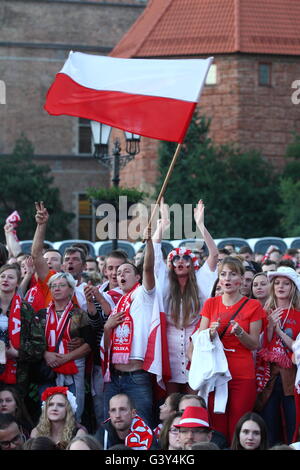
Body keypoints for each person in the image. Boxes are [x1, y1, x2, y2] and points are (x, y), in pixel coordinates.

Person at [190, 256, 264, 443]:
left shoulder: (253, 305)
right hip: (215, 372)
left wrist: (240, 333)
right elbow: (200, 339)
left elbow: (254, 344)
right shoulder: (211, 303)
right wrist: (210, 334)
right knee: (217, 425)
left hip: (242, 374)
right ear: (219, 279)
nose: (228, 279)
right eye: (223, 274)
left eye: (233, 274)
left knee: (239, 426)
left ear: (241, 279)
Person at [153, 199, 218, 394]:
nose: (180, 261)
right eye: (175, 258)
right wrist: (162, 225)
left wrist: (200, 226)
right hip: (169, 344)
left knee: (193, 397)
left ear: (193, 264)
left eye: (186, 258)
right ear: (170, 264)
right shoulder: (164, 281)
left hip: (195, 344)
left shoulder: (200, 281)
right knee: (172, 400)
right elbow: (155, 253)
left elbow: (214, 255)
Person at [102, 229, 158, 428]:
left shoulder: (144, 295)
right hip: (114, 377)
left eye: (126, 271)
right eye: (118, 273)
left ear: (137, 277)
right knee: (110, 427)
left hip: (137, 376)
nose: (120, 275)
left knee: (143, 427)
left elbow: (149, 268)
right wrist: (107, 328)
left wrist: (149, 243)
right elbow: (106, 346)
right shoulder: (118, 304)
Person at [38, 272, 94, 423]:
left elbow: (90, 345)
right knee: (47, 413)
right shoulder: (42, 314)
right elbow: (32, 342)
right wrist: (45, 354)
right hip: (48, 370)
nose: (57, 288)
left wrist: (66, 358)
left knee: (74, 413)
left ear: (71, 290)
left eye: (62, 285)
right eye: (53, 286)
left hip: (74, 368)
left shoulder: (79, 314)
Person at [256, 266, 300, 446]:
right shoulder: (264, 312)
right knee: (269, 421)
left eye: (286, 284)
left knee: (293, 421)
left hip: (291, 375)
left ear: (293, 288)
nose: (281, 287)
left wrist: (279, 331)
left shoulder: (299, 314)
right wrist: (269, 326)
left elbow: (297, 349)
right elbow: (260, 346)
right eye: (277, 283)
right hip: (269, 375)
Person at [0, 263, 45, 397]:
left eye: (10, 277)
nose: (5, 280)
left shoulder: (26, 310)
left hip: (17, 375)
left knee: (13, 413)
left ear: (18, 282)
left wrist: (17, 352)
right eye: (2, 276)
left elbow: (39, 346)